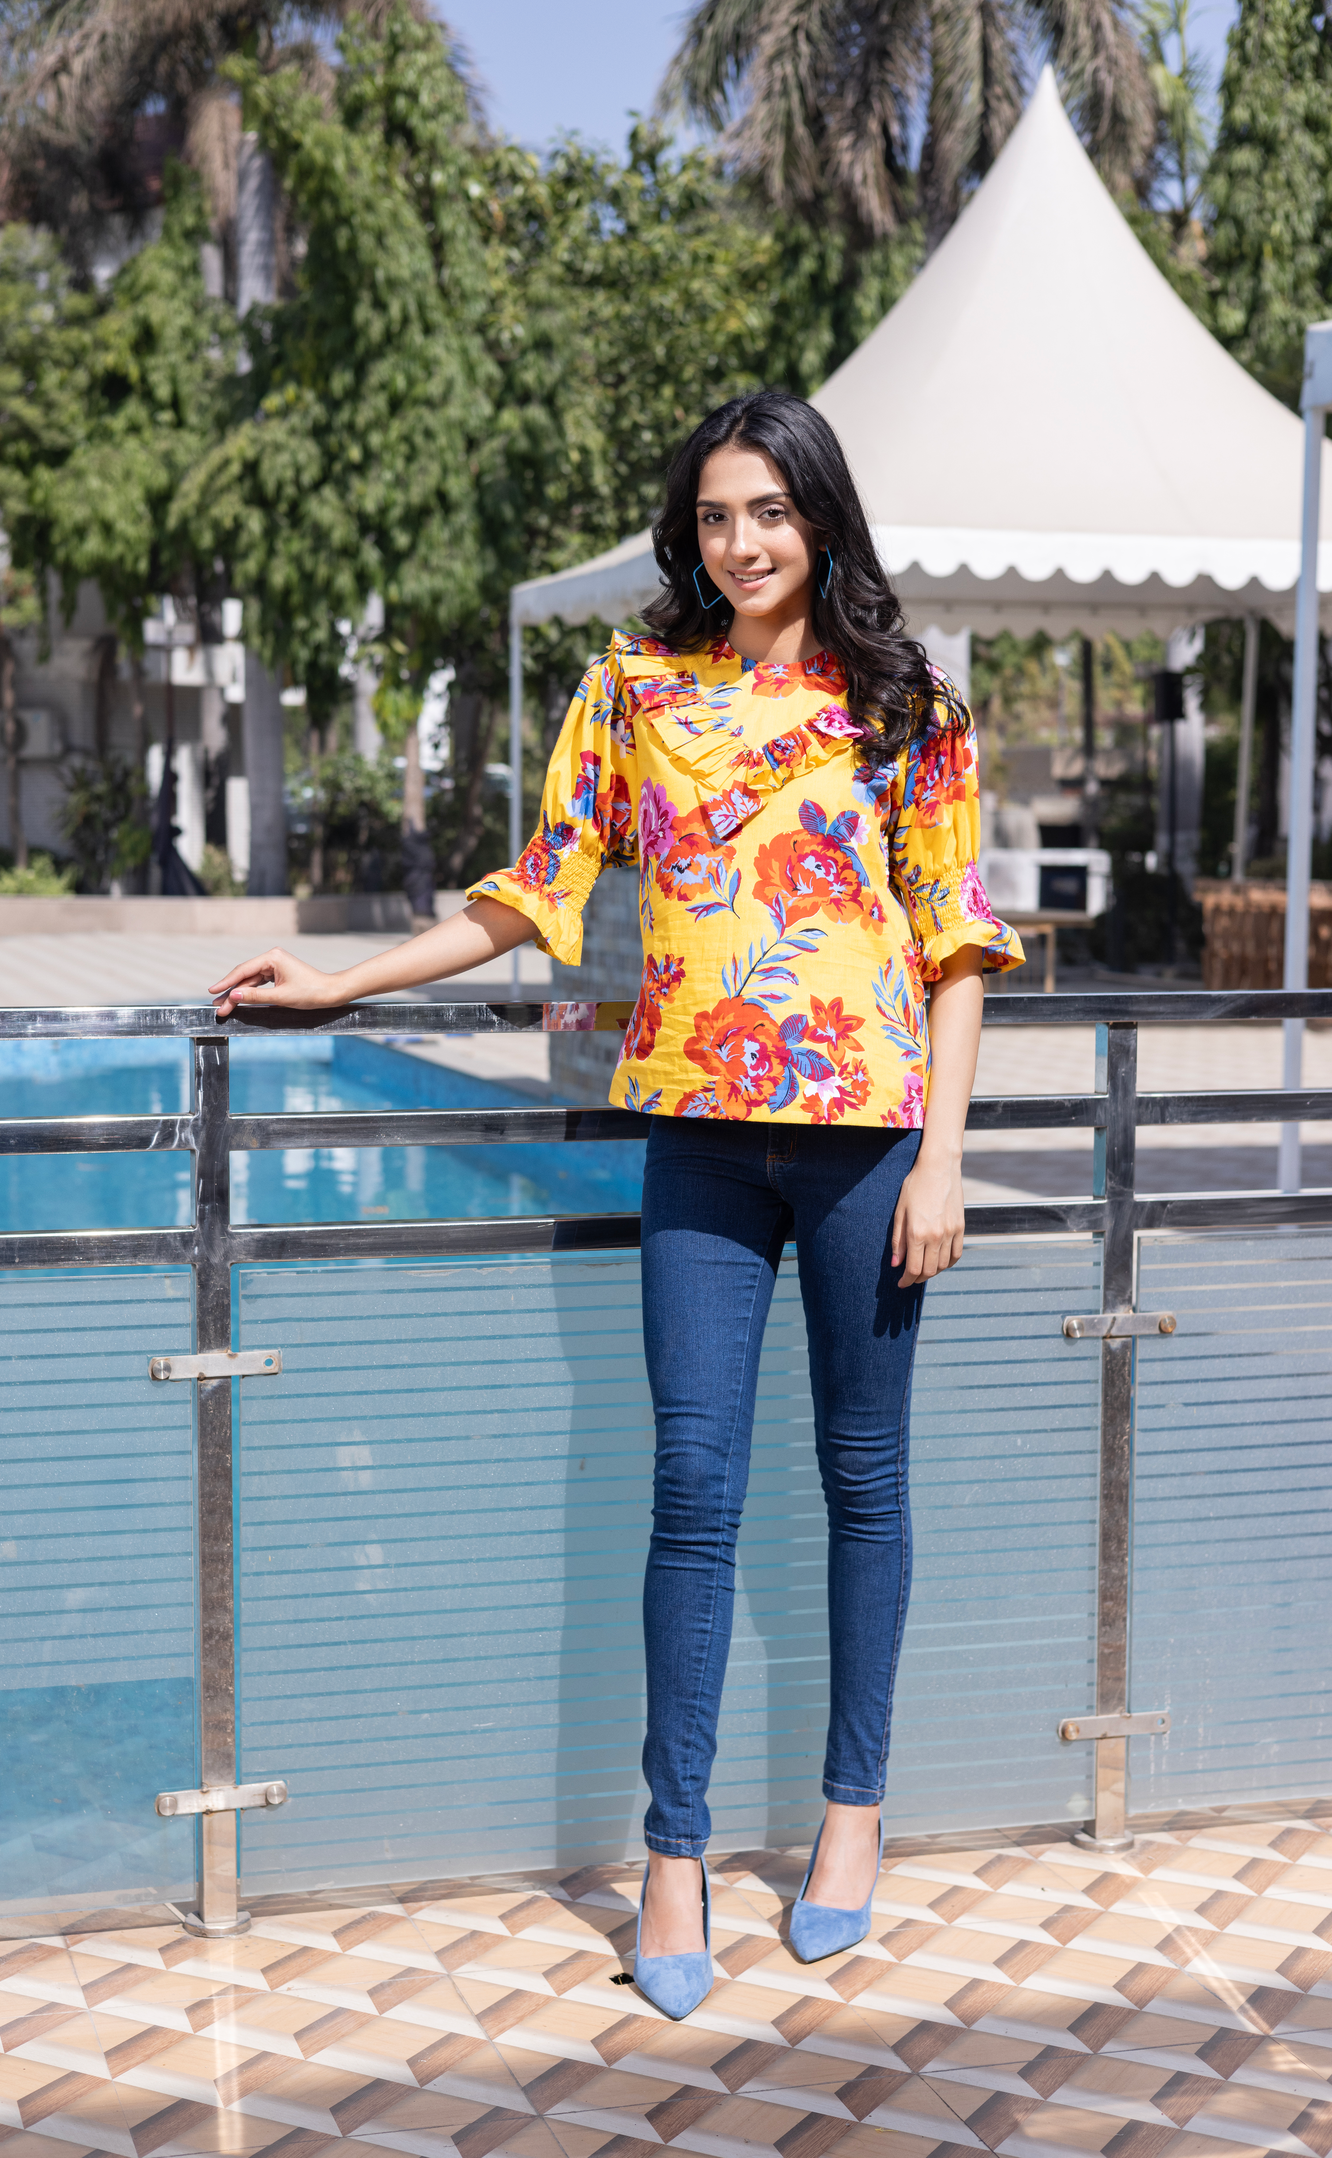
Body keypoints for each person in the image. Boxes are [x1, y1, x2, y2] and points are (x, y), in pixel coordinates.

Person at [208, 390, 1024, 2016]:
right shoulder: (639, 688)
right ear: (691, 532)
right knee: (694, 1489)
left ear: (821, 518)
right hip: (700, 1147)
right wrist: (341, 984)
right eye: (718, 516)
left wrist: (943, 1152)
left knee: (866, 1481)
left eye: (771, 512)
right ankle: (675, 1850)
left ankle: (853, 1819)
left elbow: (957, 939)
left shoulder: (907, 700)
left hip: (869, 1141)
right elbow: (532, 893)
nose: (744, 542)